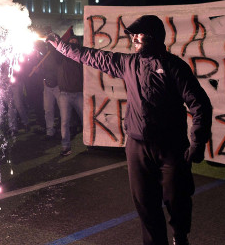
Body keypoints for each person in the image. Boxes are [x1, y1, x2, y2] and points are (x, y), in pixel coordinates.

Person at [46, 15, 212, 245]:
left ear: (153, 36)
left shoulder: (174, 67)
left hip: (171, 147)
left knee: (178, 198)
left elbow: (200, 104)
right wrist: (59, 44)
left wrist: (197, 142)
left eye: (139, 33)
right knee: (145, 203)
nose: (133, 37)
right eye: (132, 34)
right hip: (137, 146)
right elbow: (90, 56)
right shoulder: (128, 63)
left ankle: (180, 235)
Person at [56, 33, 83, 156]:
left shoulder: (80, 56)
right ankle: (66, 146)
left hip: (79, 93)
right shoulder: (61, 56)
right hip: (64, 95)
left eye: (75, 40)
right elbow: (57, 49)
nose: (72, 42)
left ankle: (91, 143)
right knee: (64, 122)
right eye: (70, 40)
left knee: (86, 121)